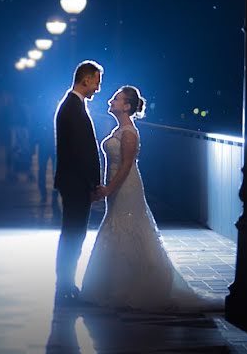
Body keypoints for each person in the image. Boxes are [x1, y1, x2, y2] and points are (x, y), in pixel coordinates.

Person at [79, 85, 222, 311]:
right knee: (119, 227)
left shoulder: (128, 133)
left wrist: (108, 188)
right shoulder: (120, 130)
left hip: (126, 187)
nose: (110, 101)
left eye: (116, 99)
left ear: (127, 107)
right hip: (117, 187)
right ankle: (120, 283)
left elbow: (126, 167)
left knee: (128, 226)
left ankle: (132, 286)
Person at [53, 61, 103, 300]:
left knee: (72, 233)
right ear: (86, 79)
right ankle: (65, 286)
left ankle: (65, 284)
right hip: (75, 183)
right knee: (73, 233)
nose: (97, 88)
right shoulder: (73, 108)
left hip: (72, 181)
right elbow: (81, 151)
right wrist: (93, 183)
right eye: (96, 82)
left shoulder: (72, 105)